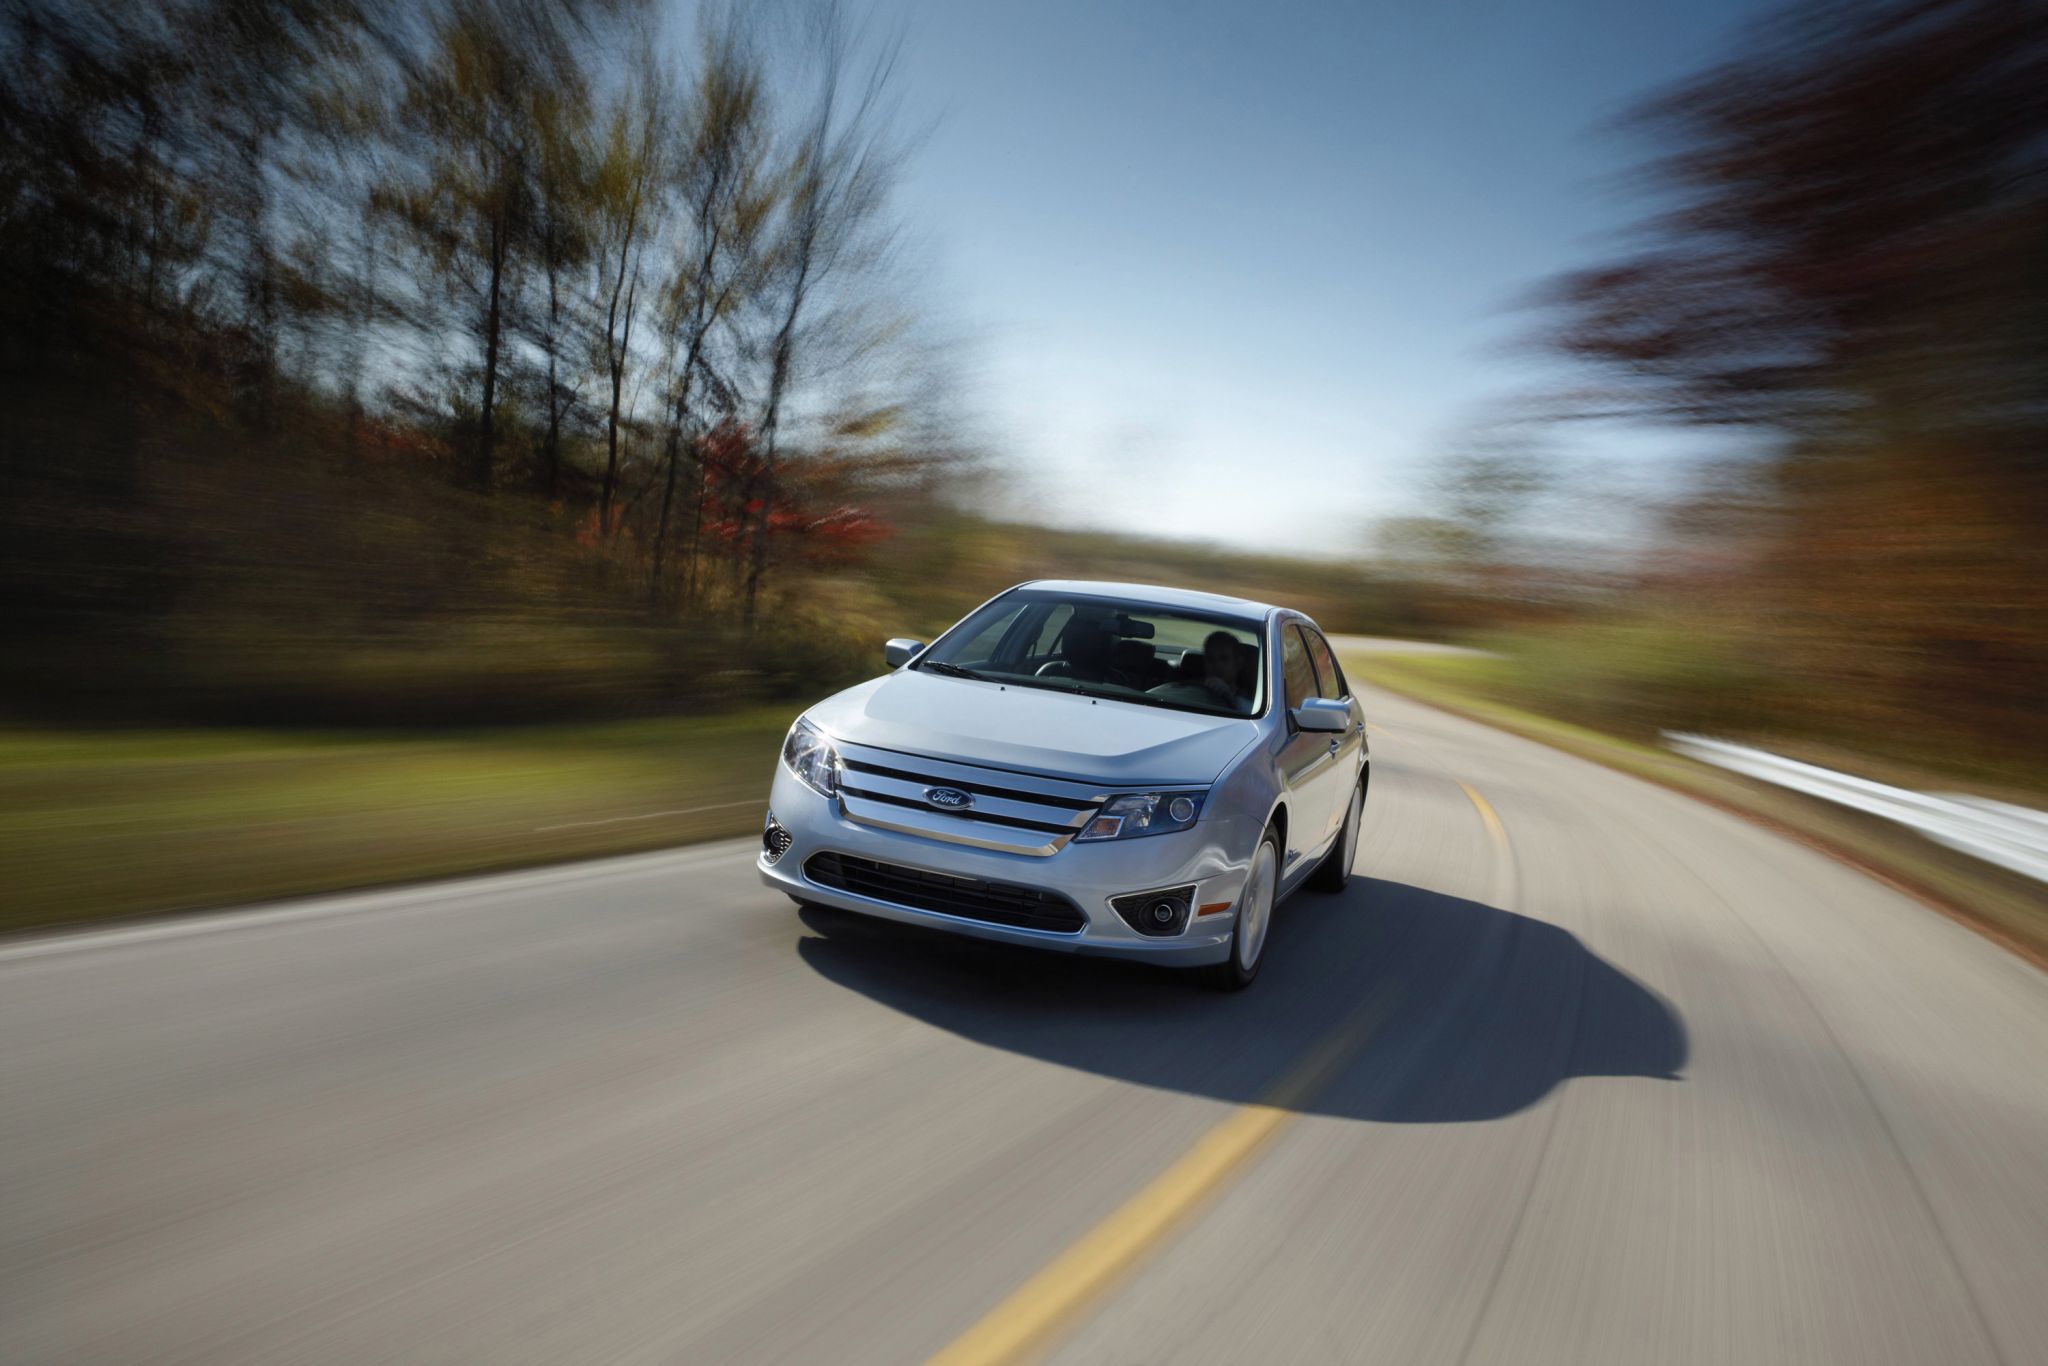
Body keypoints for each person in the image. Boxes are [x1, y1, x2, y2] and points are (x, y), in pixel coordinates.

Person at [1199, 630, 1252, 708]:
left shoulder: (1252, 704)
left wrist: (1228, 696)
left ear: (1238, 664)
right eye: (1210, 658)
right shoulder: (1189, 688)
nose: (1216, 664)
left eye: (1224, 658)